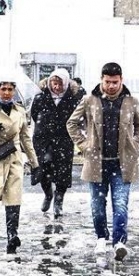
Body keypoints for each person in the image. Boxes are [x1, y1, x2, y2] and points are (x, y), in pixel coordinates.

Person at [66, 62, 139, 261]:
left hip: (122, 163)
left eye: (115, 82)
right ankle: (101, 237)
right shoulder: (89, 100)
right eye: (108, 82)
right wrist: (84, 145)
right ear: (102, 79)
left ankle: (119, 241)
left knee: (120, 204)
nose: (111, 86)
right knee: (97, 204)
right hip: (96, 162)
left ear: (121, 80)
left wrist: (135, 145)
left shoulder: (131, 101)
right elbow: (72, 123)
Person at [0, 81, 40, 254]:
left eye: (10, 89)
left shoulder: (20, 111)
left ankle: (12, 235)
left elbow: (26, 138)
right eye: (3, 89)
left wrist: (35, 163)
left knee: (13, 195)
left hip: (12, 157)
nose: (7, 93)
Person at [30, 68, 84, 218]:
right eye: (54, 83)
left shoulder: (73, 99)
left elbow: (77, 119)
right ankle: (48, 194)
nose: (56, 87)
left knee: (62, 172)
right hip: (43, 140)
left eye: (60, 84)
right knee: (43, 170)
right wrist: (45, 127)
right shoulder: (41, 97)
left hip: (64, 140)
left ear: (66, 84)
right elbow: (34, 115)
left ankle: (59, 199)